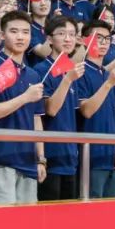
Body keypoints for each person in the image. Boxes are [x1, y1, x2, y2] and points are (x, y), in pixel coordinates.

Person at [0, 11, 45, 204]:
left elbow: (36, 118)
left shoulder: (33, 75)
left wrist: (41, 158)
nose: (20, 37)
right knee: (0, 220)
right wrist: (25, 97)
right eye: (14, 31)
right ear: (2, 35)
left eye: (25, 32)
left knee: (27, 220)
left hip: (28, 161)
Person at [36, 16, 86, 200]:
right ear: (49, 38)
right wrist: (67, 80)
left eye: (72, 34)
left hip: (70, 156)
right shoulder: (42, 70)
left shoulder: (71, 70)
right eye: (62, 34)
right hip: (51, 156)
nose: (68, 39)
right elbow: (50, 109)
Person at [77, 19, 115, 198]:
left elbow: (114, 113)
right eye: (98, 37)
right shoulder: (80, 71)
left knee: (111, 210)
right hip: (92, 156)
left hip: (112, 155)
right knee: (91, 208)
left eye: (107, 38)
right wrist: (108, 84)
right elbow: (86, 110)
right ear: (84, 40)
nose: (103, 42)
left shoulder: (106, 74)